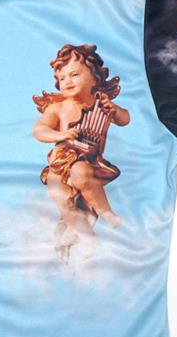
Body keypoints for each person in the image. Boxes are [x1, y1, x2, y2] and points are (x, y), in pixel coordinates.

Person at [33, 44, 130, 258]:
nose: (67, 81)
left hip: (88, 159)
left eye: (74, 75)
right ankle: (85, 237)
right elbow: (39, 130)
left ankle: (106, 212)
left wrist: (115, 111)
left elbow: (125, 119)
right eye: (62, 77)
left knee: (81, 173)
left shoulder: (102, 104)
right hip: (59, 164)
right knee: (61, 198)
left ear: (95, 77)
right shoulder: (58, 108)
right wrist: (61, 135)